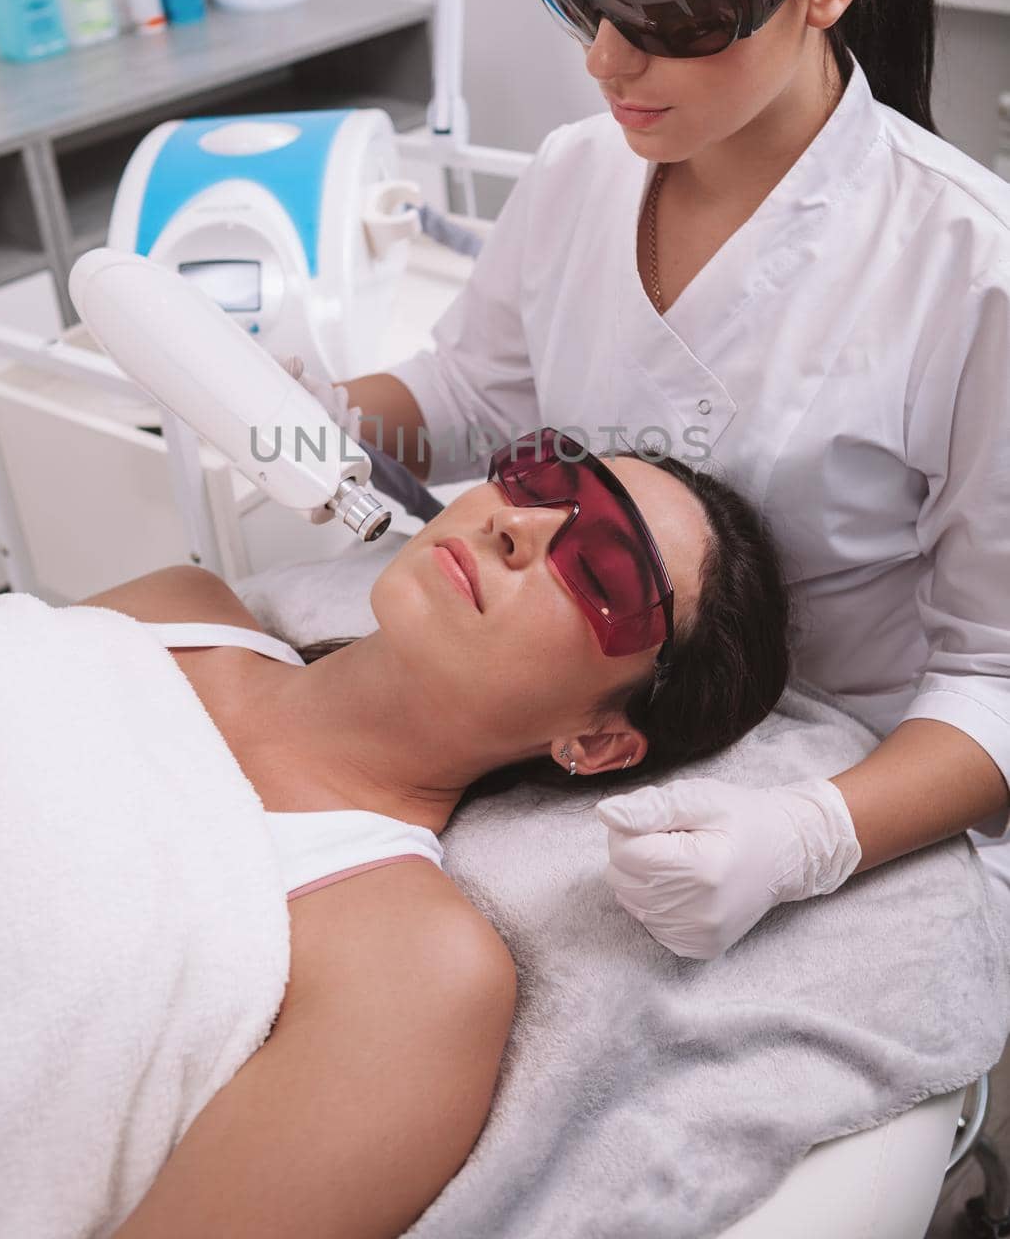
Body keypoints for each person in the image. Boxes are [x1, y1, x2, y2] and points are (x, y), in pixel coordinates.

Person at [301, 0, 1010, 959]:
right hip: (569, 732)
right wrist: (306, 405)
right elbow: (473, 392)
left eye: (670, 6)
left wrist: (803, 837)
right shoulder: (578, 174)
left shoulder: (967, 270)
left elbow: (997, 680)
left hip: (846, 774)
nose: (606, 60)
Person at [71, 433, 793, 1237]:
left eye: (601, 572)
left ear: (594, 741)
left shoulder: (414, 971)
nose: (517, 524)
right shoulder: (177, 609)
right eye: (544, 480)